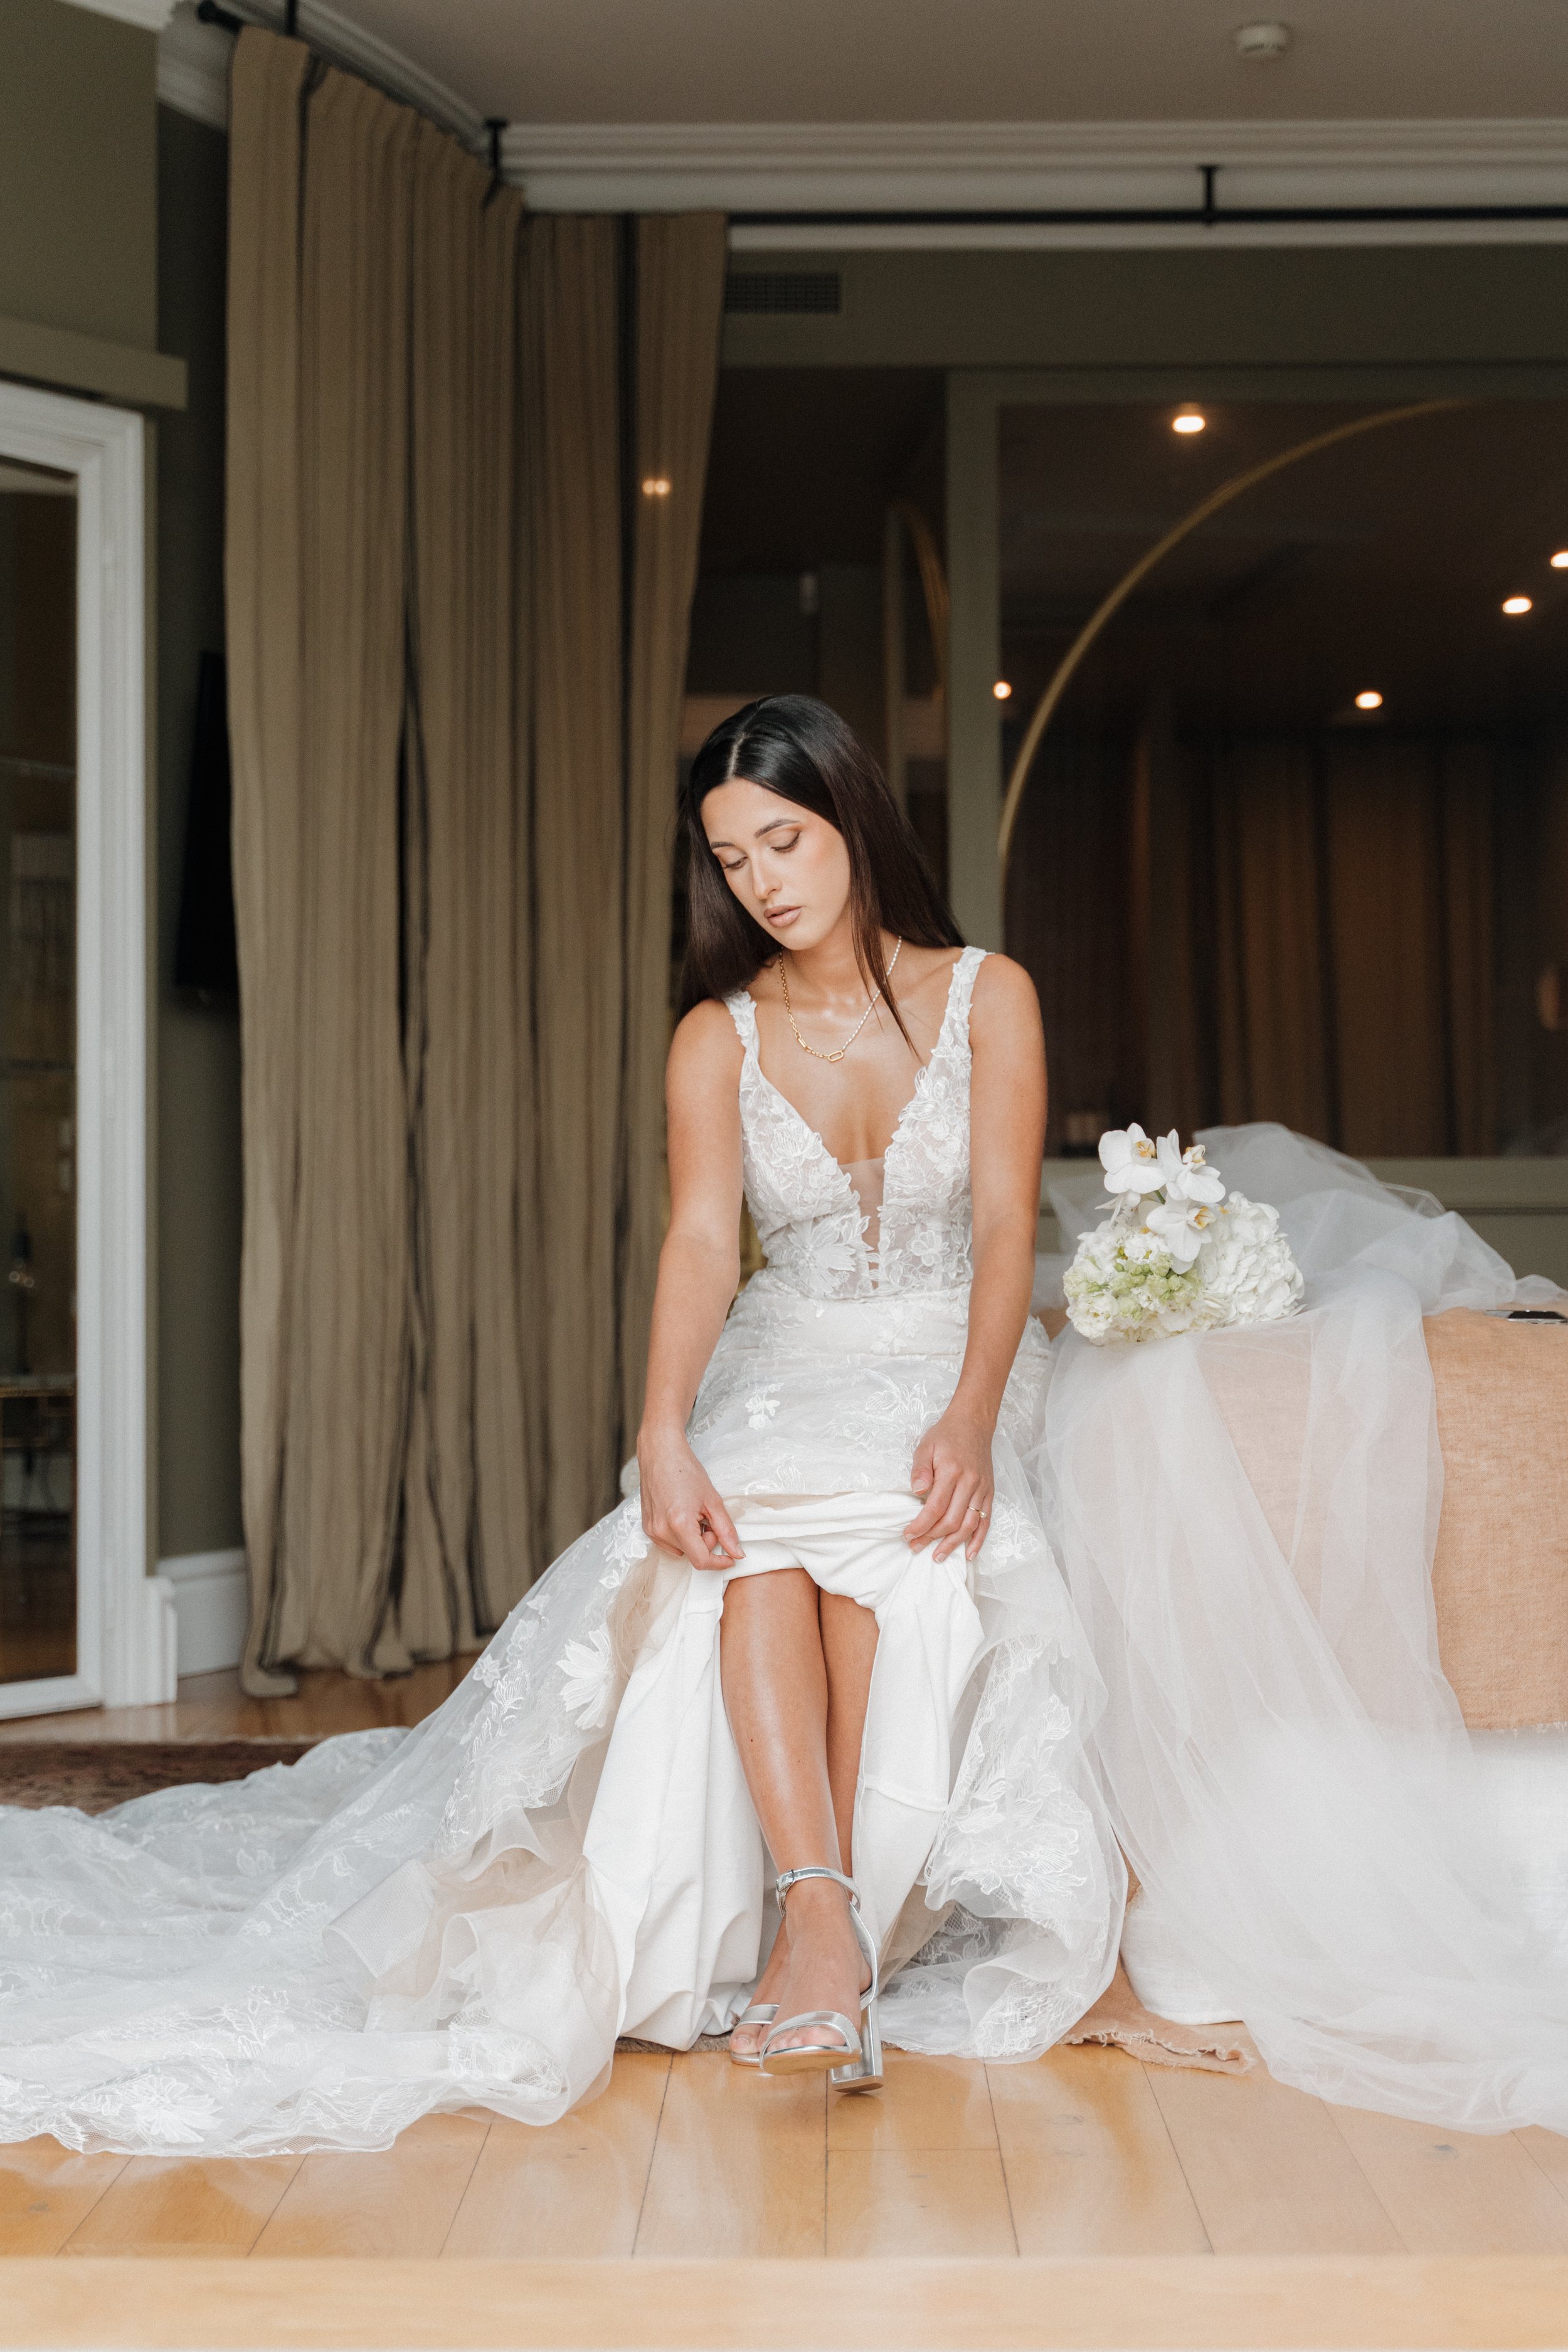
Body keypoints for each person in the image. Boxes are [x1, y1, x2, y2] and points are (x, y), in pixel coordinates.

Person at [0, 696, 1122, 2156]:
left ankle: (827, 1935)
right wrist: (662, 1430)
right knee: (744, 1541)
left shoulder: (989, 993)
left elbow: (995, 1230)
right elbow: (705, 1247)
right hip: (786, 1358)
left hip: (941, 1357)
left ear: (853, 822)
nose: (763, 880)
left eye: (783, 840)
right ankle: (817, 1923)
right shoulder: (713, 1038)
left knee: (893, 1542)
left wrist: (969, 1419)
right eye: (730, 859)